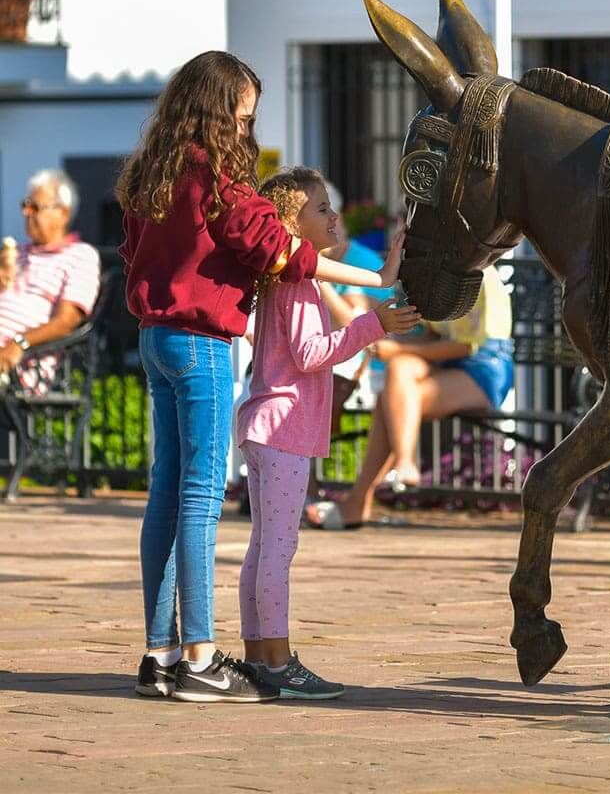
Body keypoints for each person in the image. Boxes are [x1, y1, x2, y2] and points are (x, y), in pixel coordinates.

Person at [118, 50, 405, 704]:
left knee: (165, 492)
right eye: (242, 117)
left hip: (154, 336)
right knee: (199, 495)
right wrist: (378, 281)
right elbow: (283, 253)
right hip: (202, 343)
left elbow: (131, 254)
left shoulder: (148, 177)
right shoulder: (218, 183)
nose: (246, 131)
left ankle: (159, 655)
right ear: (216, 113)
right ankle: (200, 656)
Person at [236, 168, 419, 698]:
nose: (333, 214)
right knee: (279, 548)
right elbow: (311, 354)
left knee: (263, 547)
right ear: (292, 226)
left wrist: (388, 270)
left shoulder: (294, 278)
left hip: (269, 427)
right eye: (320, 208)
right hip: (282, 429)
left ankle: (258, 655)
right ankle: (276, 660)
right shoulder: (296, 282)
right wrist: (373, 325)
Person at [308, 264, 514, 530]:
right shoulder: (434, 275)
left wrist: (396, 348)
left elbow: (464, 346)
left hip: (486, 367)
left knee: (391, 399)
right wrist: (396, 348)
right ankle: (402, 467)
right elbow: (431, 337)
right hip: (448, 364)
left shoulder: (480, 275)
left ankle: (362, 498)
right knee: (399, 372)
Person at [0, 170, 101, 390]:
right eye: (25, 205)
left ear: (63, 214)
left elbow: (67, 321)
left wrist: (20, 342)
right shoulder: (15, 253)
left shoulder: (81, 255)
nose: (26, 213)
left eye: (35, 207)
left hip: (19, 369)